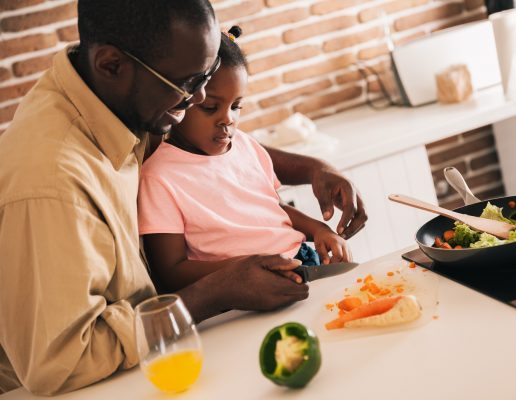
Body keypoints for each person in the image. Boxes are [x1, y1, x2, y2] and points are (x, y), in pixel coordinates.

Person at [0, 0, 366, 395]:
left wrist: (314, 168)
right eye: (189, 84)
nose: (198, 100)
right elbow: (61, 363)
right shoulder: (51, 184)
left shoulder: (119, 95)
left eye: (205, 77)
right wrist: (217, 291)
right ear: (111, 64)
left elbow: (228, 154)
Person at [138, 27, 351, 292]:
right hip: (239, 289)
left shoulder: (245, 145)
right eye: (210, 107)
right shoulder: (158, 176)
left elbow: (272, 210)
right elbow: (171, 272)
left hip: (302, 259)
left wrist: (319, 229)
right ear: (180, 99)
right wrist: (246, 268)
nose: (228, 118)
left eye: (236, 106)